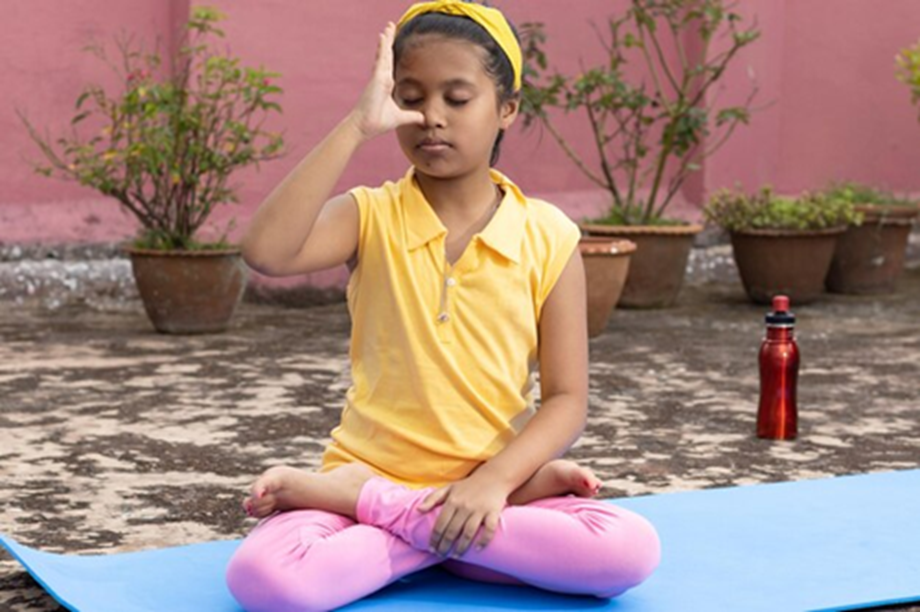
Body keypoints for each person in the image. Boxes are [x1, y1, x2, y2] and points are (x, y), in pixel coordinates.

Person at [226, 2, 660, 611]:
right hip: (372, 472)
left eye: (457, 98)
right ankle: (458, 542)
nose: (431, 116)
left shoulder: (549, 236)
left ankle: (398, 520)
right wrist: (356, 125)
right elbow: (265, 251)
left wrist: (492, 483)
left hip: (482, 488)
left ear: (507, 108)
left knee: (627, 552)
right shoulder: (369, 216)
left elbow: (567, 399)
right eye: (410, 97)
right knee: (266, 580)